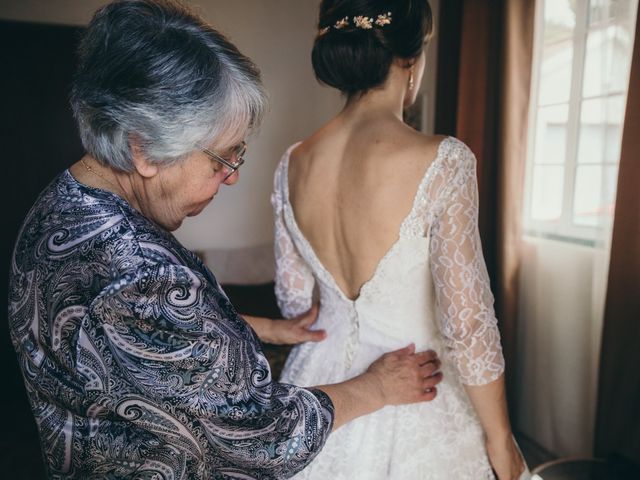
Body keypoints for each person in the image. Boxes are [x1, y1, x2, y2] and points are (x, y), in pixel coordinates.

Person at [7, 1, 444, 478]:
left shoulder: (59, 205)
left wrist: (265, 328)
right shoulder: (139, 273)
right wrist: (376, 388)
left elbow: (140, 347)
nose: (232, 178)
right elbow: (261, 437)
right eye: (222, 159)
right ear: (141, 147)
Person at [272, 0, 529, 479]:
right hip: (418, 387)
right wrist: (503, 443)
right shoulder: (444, 161)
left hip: (322, 394)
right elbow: (467, 326)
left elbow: (294, 302)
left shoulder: (294, 162)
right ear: (411, 58)